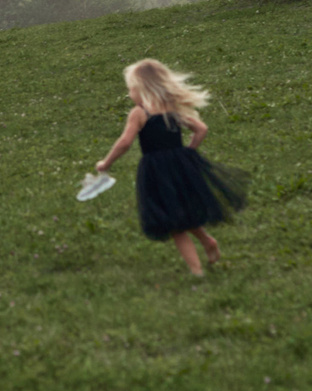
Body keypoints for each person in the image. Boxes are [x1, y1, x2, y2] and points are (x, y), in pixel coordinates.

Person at [94, 59, 247, 278]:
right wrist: (188, 152)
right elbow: (201, 129)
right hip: (180, 166)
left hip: (156, 171)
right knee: (180, 210)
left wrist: (105, 163)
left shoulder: (139, 113)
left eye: (131, 89)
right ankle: (207, 241)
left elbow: (125, 143)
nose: (129, 94)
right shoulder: (172, 109)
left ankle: (197, 271)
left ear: (142, 89)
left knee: (174, 223)